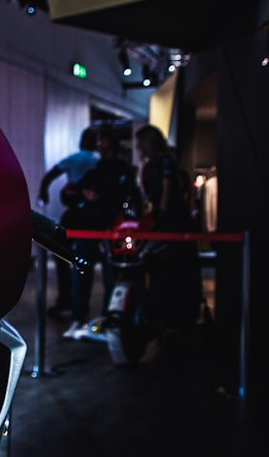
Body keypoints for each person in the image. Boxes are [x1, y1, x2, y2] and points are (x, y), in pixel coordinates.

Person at [65, 128, 143, 337]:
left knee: (112, 278)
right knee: (81, 276)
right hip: (88, 231)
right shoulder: (95, 170)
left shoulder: (123, 173)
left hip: (111, 232)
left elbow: (130, 200)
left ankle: (108, 321)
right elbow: (72, 194)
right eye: (102, 146)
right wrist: (84, 195)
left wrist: (102, 199)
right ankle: (78, 318)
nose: (104, 149)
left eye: (107, 146)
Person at [134, 124, 201, 330]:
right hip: (162, 221)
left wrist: (161, 215)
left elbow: (166, 190)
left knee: (170, 268)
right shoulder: (155, 165)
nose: (137, 148)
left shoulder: (163, 164)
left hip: (170, 223)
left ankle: (169, 316)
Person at [37, 127, 99, 318]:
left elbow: (50, 175)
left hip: (74, 215)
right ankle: (80, 307)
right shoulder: (98, 161)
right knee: (86, 259)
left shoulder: (74, 159)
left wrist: (44, 192)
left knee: (60, 251)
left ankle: (65, 299)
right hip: (93, 216)